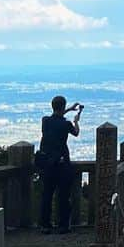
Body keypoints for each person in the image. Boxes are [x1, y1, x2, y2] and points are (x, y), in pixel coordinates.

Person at [37, 95, 83, 233]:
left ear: (52, 106)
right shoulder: (66, 124)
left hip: (46, 164)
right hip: (62, 164)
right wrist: (76, 121)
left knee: (47, 195)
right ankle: (63, 225)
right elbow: (76, 133)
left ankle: (45, 224)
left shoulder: (45, 121)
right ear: (63, 106)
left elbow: (56, 116)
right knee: (63, 195)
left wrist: (69, 109)